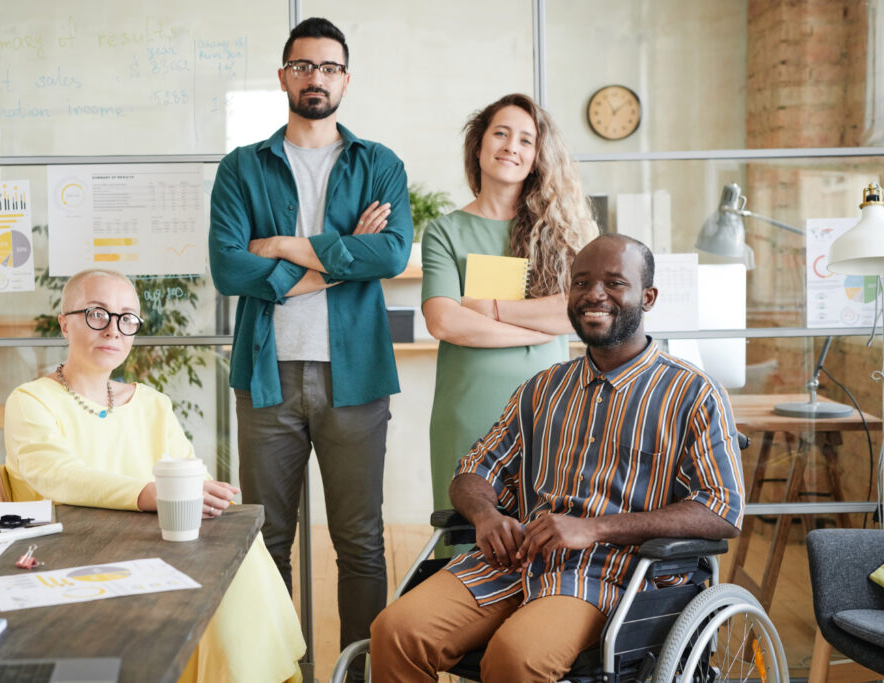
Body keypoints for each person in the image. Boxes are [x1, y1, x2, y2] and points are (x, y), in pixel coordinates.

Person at [370, 235, 745, 682]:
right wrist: (487, 516)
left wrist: (595, 528)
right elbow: (474, 469)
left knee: (516, 656)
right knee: (394, 630)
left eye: (614, 283)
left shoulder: (693, 393)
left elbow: (721, 509)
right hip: (516, 561)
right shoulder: (543, 388)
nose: (594, 295)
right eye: (581, 282)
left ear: (648, 297)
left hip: (613, 576)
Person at [207, 16, 412, 665]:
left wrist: (287, 248)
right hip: (267, 376)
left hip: (355, 376)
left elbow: (392, 251)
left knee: (360, 542)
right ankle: (280, 676)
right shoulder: (243, 167)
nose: (315, 77)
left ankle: (360, 676)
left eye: (328, 67)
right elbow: (229, 267)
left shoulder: (379, 163)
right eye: (303, 66)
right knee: (266, 540)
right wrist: (338, 255)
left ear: (345, 79)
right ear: (283, 76)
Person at [4, 268, 305, 683]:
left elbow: (187, 474)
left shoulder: (151, 403)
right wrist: (154, 494)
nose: (113, 330)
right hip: (76, 560)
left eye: (126, 318)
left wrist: (205, 495)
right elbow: (59, 476)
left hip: (158, 553)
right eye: (97, 314)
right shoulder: (31, 400)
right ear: (65, 322)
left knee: (238, 547)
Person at [421, 93, 598, 521]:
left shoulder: (564, 231)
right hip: (466, 411)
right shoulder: (445, 232)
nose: (510, 147)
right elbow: (444, 320)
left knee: (543, 536)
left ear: (537, 157)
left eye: (525, 140)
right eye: (500, 133)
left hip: (548, 410)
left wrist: (490, 309)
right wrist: (539, 329)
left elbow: (576, 311)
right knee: (468, 537)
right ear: (478, 144)